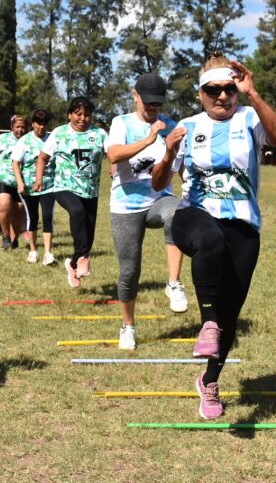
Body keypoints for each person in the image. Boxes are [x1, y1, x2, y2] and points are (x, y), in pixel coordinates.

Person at [152, 52, 276, 419]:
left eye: (229, 89)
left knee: (232, 313)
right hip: (193, 217)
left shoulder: (249, 117)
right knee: (210, 240)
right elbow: (158, 182)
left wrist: (254, 94)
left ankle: (210, 382)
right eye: (213, 89)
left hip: (243, 226)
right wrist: (167, 154)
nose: (222, 96)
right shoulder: (186, 125)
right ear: (200, 93)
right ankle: (207, 322)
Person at [105, 73, 189, 351]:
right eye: (147, 101)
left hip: (157, 199)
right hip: (125, 205)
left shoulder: (172, 126)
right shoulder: (122, 123)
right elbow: (115, 155)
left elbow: (175, 169)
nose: (152, 107)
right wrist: (150, 138)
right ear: (135, 95)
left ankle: (173, 283)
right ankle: (127, 327)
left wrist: (169, 150)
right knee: (130, 271)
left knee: (176, 213)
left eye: (158, 103)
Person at [36, 97, 107, 288]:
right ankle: (83, 258)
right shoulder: (60, 133)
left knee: (88, 235)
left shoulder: (99, 134)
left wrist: (115, 166)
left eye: (87, 114)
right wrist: (39, 179)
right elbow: (42, 158)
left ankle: (74, 263)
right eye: (78, 114)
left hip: (90, 190)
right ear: (70, 115)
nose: (83, 118)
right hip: (64, 186)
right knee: (77, 212)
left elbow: (113, 153)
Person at [12, 109, 57, 264]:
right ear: (33, 123)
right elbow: (16, 163)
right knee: (32, 217)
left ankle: (48, 253)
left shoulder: (52, 139)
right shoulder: (24, 140)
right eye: (38, 123)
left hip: (49, 185)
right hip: (29, 187)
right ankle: (32, 251)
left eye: (44, 123)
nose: (41, 126)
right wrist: (20, 182)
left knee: (47, 217)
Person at [0, 115, 27, 250]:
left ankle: (14, 238)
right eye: (17, 127)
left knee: (19, 210)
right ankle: (5, 236)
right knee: (4, 206)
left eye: (23, 127)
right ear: (12, 127)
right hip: (3, 178)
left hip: (21, 181)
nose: (20, 130)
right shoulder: (3, 138)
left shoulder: (29, 140)